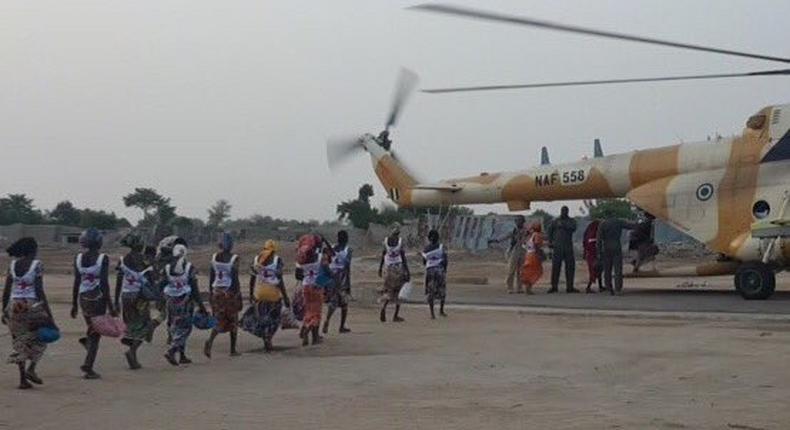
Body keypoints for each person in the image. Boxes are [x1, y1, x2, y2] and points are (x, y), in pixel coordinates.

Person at [2, 238, 55, 389]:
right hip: (31, 305)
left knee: (19, 341)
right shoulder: (36, 265)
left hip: (14, 305)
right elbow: (39, 290)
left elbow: (6, 291)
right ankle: (31, 368)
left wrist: (4, 310)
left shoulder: (12, 265)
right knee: (43, 336)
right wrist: (48, 313)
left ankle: (22, 380)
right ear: (33, 250)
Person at [71, 228, 116, 380]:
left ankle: (87, 344)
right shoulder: (102, 258)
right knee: (96, 333)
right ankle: (88, 366)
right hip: (98, 299)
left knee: (92, 328)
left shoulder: (78, 258)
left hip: (83, 298)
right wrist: (111, 305)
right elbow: (104, 283)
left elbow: (76, 282)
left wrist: (74, 304)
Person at [114, 233, 156, 370]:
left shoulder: (123, 260)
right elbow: (151, 279)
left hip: (125, 296)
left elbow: (119, 282)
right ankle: (132, 351)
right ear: (139, 245)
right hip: (140, 297)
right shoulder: (144, 260)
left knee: (132, 324)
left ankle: (133, 356)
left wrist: (115, 301)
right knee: (145, 326)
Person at [162, 244, 207, 365]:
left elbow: (162, 285)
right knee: (185, 329)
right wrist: (202, 306)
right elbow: (195, 289)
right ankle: (172, 351)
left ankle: (182, 355)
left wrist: (161, 301)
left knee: (175, 328)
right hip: (185, 302)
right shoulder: (189, 268)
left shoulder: (166, 268)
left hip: (171, 302)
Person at [242, 240, 290, 352]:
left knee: (262, 318)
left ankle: (266, 340)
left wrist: (251, 294)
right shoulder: (277, 260)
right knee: (275, 318)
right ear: (274, 250)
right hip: (273, 293)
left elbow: (252, 279)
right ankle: (269, 338)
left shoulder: (256, 260)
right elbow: (280, 280)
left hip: (260, 293)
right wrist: (285, 296)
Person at [204, 233, 243, 358]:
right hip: (229, 293)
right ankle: (232, 349)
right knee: (233, 320)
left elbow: (212, 276)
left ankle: (210, 341)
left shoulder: (214, 257)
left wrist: (210, 293)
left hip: (216, 292)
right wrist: (238, 295)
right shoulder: (234, 258)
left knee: (219, 320)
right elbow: (235, 278)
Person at [298, 236, 328, 346]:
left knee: (309, 311)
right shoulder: (320, 257)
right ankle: (309, 331)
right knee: (317, 313)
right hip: (317, 285)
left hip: (306, 286)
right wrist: (323, 282)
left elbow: (298, 274)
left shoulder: (302, 258)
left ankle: (308, 329)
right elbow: (327, 272)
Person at [597, 218, 638, 295]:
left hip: (606, 247)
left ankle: (609, 288)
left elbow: (599, 239)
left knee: (607, 269)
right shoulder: (618, 222)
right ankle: (618, 288)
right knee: (618, 269)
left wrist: (598, 251)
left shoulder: (603, 224)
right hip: (616, 246)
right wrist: (639, 224)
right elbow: (631, 226)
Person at [378, 226, 409, 322]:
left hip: (388, 268)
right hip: (398, 268)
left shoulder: (386, 241)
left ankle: (383, 308)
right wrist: (407, 270)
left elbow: (383, 255)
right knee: (398, 292)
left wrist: (380, 268)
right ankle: (395, 315)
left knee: (388, 291)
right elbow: (403, 257)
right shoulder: (400, 242)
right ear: (398, 234)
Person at [323, 230, 352, 334]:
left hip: (331, 276)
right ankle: (341, 326)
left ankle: (328, 320)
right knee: (344, 303)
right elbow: (347, 264)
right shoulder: (348, 250)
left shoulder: (332, 248)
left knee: (334, 301)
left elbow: (326, 258)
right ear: (347, 239)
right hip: (341, 278)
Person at [490, 215, 528, 294]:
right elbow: (505, 237)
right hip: (514, 251)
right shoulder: (513, 231)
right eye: (517, 221)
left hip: (523, 251)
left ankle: (519, 287)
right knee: (511, 270)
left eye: (520, 221)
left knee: (521, 271)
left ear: (523, 222)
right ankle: (510, 287)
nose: (518, 222)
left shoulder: (526, 231)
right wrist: (496, 240)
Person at [547, 206, 579, 293]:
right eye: (562, 211)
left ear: (567, 212)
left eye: (565, 211)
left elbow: (574, 228)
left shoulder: (571, 221)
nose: (563, 212)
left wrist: (563, 225)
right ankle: (554, 286)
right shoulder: (555, 221)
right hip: (557, 247)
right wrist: (550, 242)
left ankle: (570, 287)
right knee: (556, 267)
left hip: (568, 246)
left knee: (570, 267)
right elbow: (549, 230)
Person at [422, 229, 448, 319]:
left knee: (430, 291)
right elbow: (445, 259)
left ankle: (432, 313)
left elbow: (424, 261)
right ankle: (441, 310)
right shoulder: (441, 246)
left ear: (429, 238)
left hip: (430, 271)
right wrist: (444, 270)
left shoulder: (426, 248)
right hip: (439, 270)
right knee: (442, 290)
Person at [520, 222, 545, 295]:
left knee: (529, 271)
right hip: (533, 255)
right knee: (535, 271)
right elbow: (537, 245)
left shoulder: (530, 236)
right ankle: (528, 288)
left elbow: (524, 244)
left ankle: (528, 288)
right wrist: (540, 255)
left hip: (528, 255)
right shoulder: (537, 235)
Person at [583, 220, 604, 293]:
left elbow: (585, 243)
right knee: (595, 270)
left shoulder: (588, 233)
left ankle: (600, 286)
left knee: (597, 270)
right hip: (594, 255)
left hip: (590, 254)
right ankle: (588, 287)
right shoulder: (596, 234)